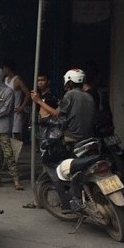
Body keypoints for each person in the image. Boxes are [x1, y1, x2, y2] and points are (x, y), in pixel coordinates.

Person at [30, 68, 97, 210]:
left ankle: (67, 201)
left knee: (58, 167)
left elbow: (57, 114)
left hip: (71, 139)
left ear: (69, 82)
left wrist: (38, 101)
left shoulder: (70, 95)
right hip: (88, 138)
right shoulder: (89, 96)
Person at [2, 60, 30, 141]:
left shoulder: (17, 80)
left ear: (8, 69)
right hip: (7, 111)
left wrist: (22, 107)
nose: (3, 70)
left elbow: (27, 93)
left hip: (16, 111)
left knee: (16, 133)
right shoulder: (5, 80)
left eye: (4, 68)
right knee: (7, 133)